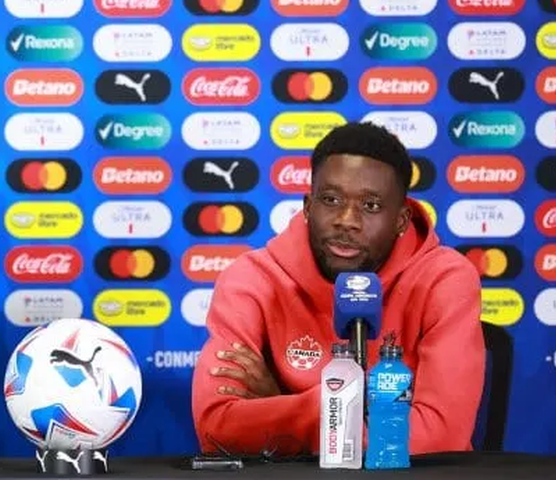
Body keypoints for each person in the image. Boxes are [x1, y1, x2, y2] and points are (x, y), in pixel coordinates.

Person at [192, 122, 485, 456]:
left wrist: (282, 405)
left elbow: (440, 437)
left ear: (402, 220)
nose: (347, 220)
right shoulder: (251, 279)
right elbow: (216, 429)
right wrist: (327, 412)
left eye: (371, 205)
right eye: (331, 199)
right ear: (307, 207)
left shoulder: (445, 279)